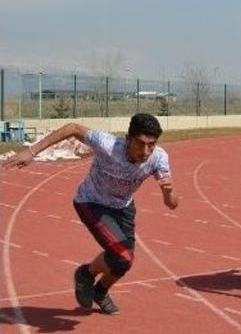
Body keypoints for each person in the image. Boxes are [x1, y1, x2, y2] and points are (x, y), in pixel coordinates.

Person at [2, 114, 176, 315]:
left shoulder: (158, 158)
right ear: (128, 139)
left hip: (123, 207)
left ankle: (100, 292)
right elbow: (72, 128)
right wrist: (31, 151)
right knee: (122, 255)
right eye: (140, 143)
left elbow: (172, 205)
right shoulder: (108, 144)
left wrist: (168, 192)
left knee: (124, 263)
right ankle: (85, 274)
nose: (145, 151)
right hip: (91, 202)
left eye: (151, 145)